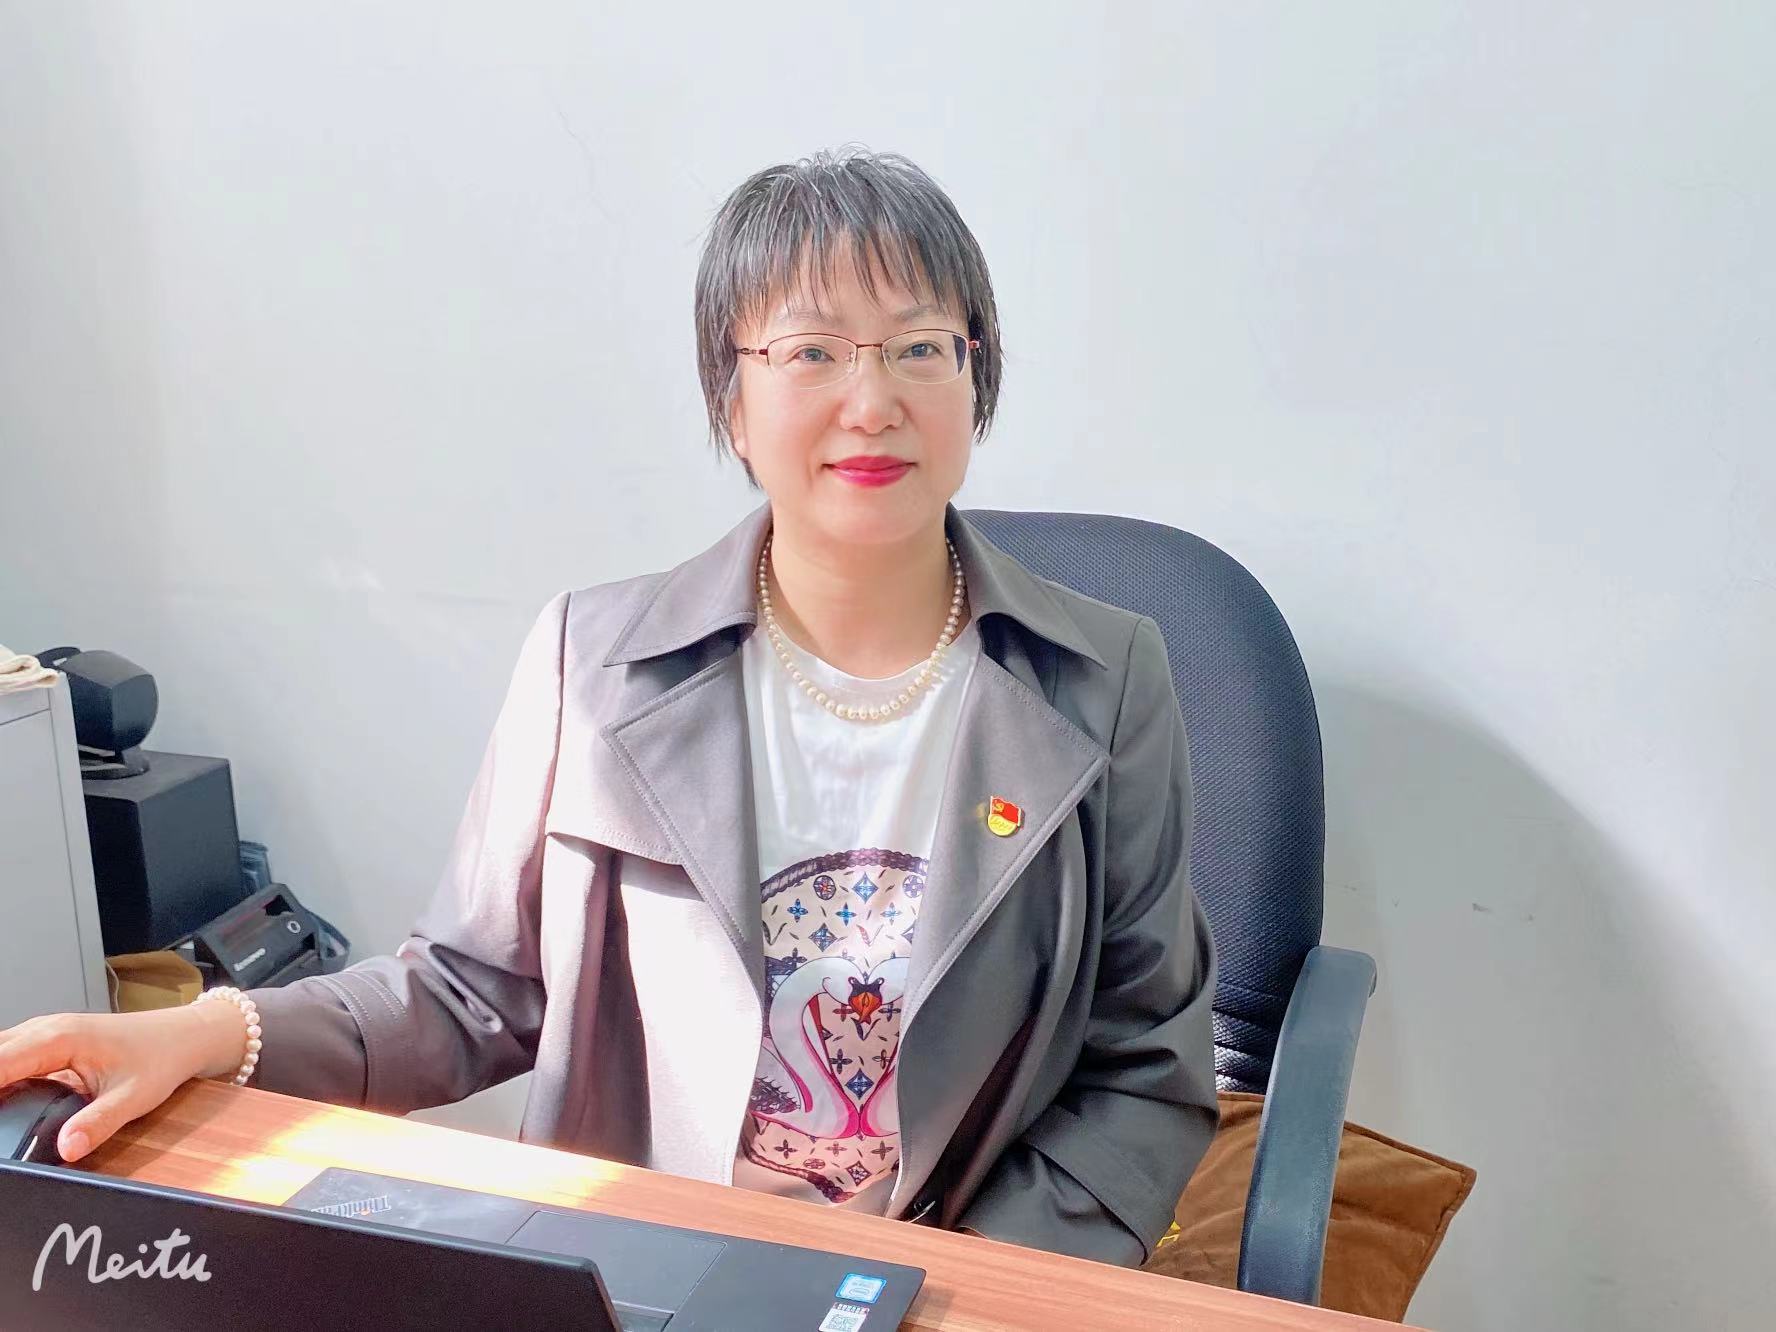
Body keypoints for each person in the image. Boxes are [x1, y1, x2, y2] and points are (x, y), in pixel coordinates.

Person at [0, 147, 1217, 1267]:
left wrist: (951, 1287)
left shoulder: (1107, 680)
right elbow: (466, 993)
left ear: (975, 377)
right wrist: (208, 1034)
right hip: (650, 1268)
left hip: (953, 1273)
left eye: (918, 347)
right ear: (731, 401)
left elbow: (1144, 1071)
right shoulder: (593, 661)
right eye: (811, 351)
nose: (871, 399)